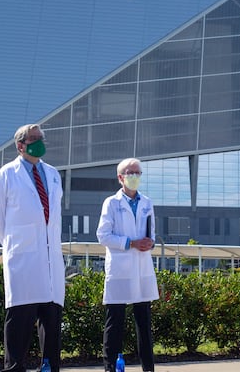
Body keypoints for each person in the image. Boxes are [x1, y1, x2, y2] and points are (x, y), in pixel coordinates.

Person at [0, 124, 65, 372]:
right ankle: (14, 368)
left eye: (41, 138)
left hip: (51, 257)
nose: (39, 142)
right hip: (23, 258)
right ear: (20, 145)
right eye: (33, 139)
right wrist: (15, 244)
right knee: (20, 319)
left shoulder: (53, 174)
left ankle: (50, 367)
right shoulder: (7, 174)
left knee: (51, 320)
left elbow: (54, 216)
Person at [97, 158, 158, 372]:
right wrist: (131, 243)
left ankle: (148, 368)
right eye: (130, 173)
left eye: (138, 172)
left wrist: (150, 243)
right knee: (115, 322)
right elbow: (103, 236)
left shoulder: (147, 202)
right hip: (120, 269)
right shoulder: (112, 203)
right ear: (120, 177)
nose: (135, 177)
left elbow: (152, 234)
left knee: (144, 323)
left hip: (142, 268)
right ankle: (109, 368)